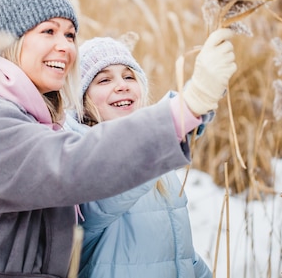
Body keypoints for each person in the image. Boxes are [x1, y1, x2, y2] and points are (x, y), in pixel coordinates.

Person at [0, 0, 236, 278]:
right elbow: (73, 163)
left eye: (70, 34)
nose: (65, 46)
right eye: (48, 31)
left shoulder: (22, 116)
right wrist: (186, 107)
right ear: (9, 41)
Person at [68, 34, 213, 278]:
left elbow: (178, 250)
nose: (122, 85)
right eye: (104, 80)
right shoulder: (80, 159)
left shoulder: (162, 169)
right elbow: (107, 196)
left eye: (129, 76)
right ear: (81, 99)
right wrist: (181, 113)